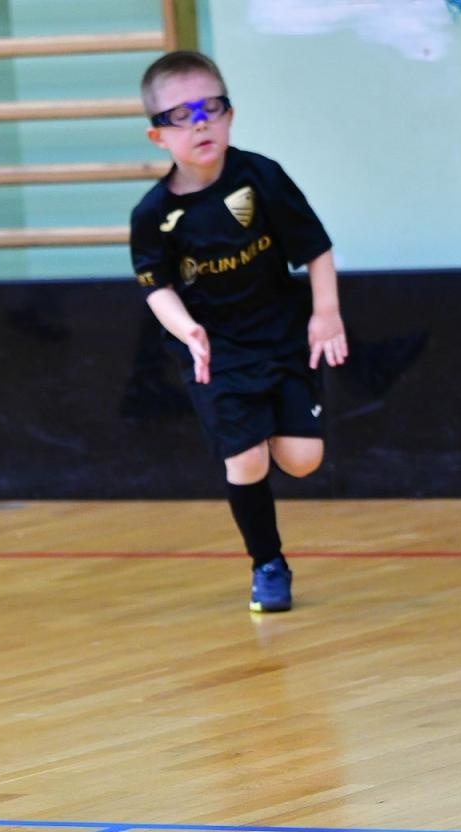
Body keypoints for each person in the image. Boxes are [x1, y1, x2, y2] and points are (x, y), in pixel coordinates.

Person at [130, 50, 346, 613]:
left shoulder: (262, 176)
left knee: (302, 460)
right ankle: (268, 564)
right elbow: (157, 287)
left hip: (282, 335)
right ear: (158, 136)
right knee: (246, 461)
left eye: (211, 108)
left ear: (230, 115)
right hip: (216, 352)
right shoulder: (153, 215)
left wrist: (325, 313)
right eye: (181, 115)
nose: (199, 123)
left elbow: (315, 248)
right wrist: (188, 331)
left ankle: (269, 420)